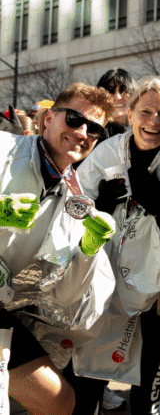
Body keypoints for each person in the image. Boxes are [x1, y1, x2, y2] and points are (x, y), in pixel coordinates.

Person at [72, 76, 160, 415]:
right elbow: (73, 208)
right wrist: (98, 205)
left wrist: (156, 200)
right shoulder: (107, 152)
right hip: (104, 282)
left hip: (159, 290)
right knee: (89, 383)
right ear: (129, 114)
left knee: (146, 391)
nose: (153, 122)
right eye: (145, 112)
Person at [0, 83, 116, 415]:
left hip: (4, 309)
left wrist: (89, 251)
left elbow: (64, 297)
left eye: (94, 129)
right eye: (74, 119)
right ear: (49, 118)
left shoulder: (77, 203)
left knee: (58, 401)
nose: (82, 132)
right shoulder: (3, 149)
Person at [97, 67, 137, 136]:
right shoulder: (92, 134)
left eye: (123, 89)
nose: (118, 97)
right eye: (111, 90)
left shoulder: (144, 131)